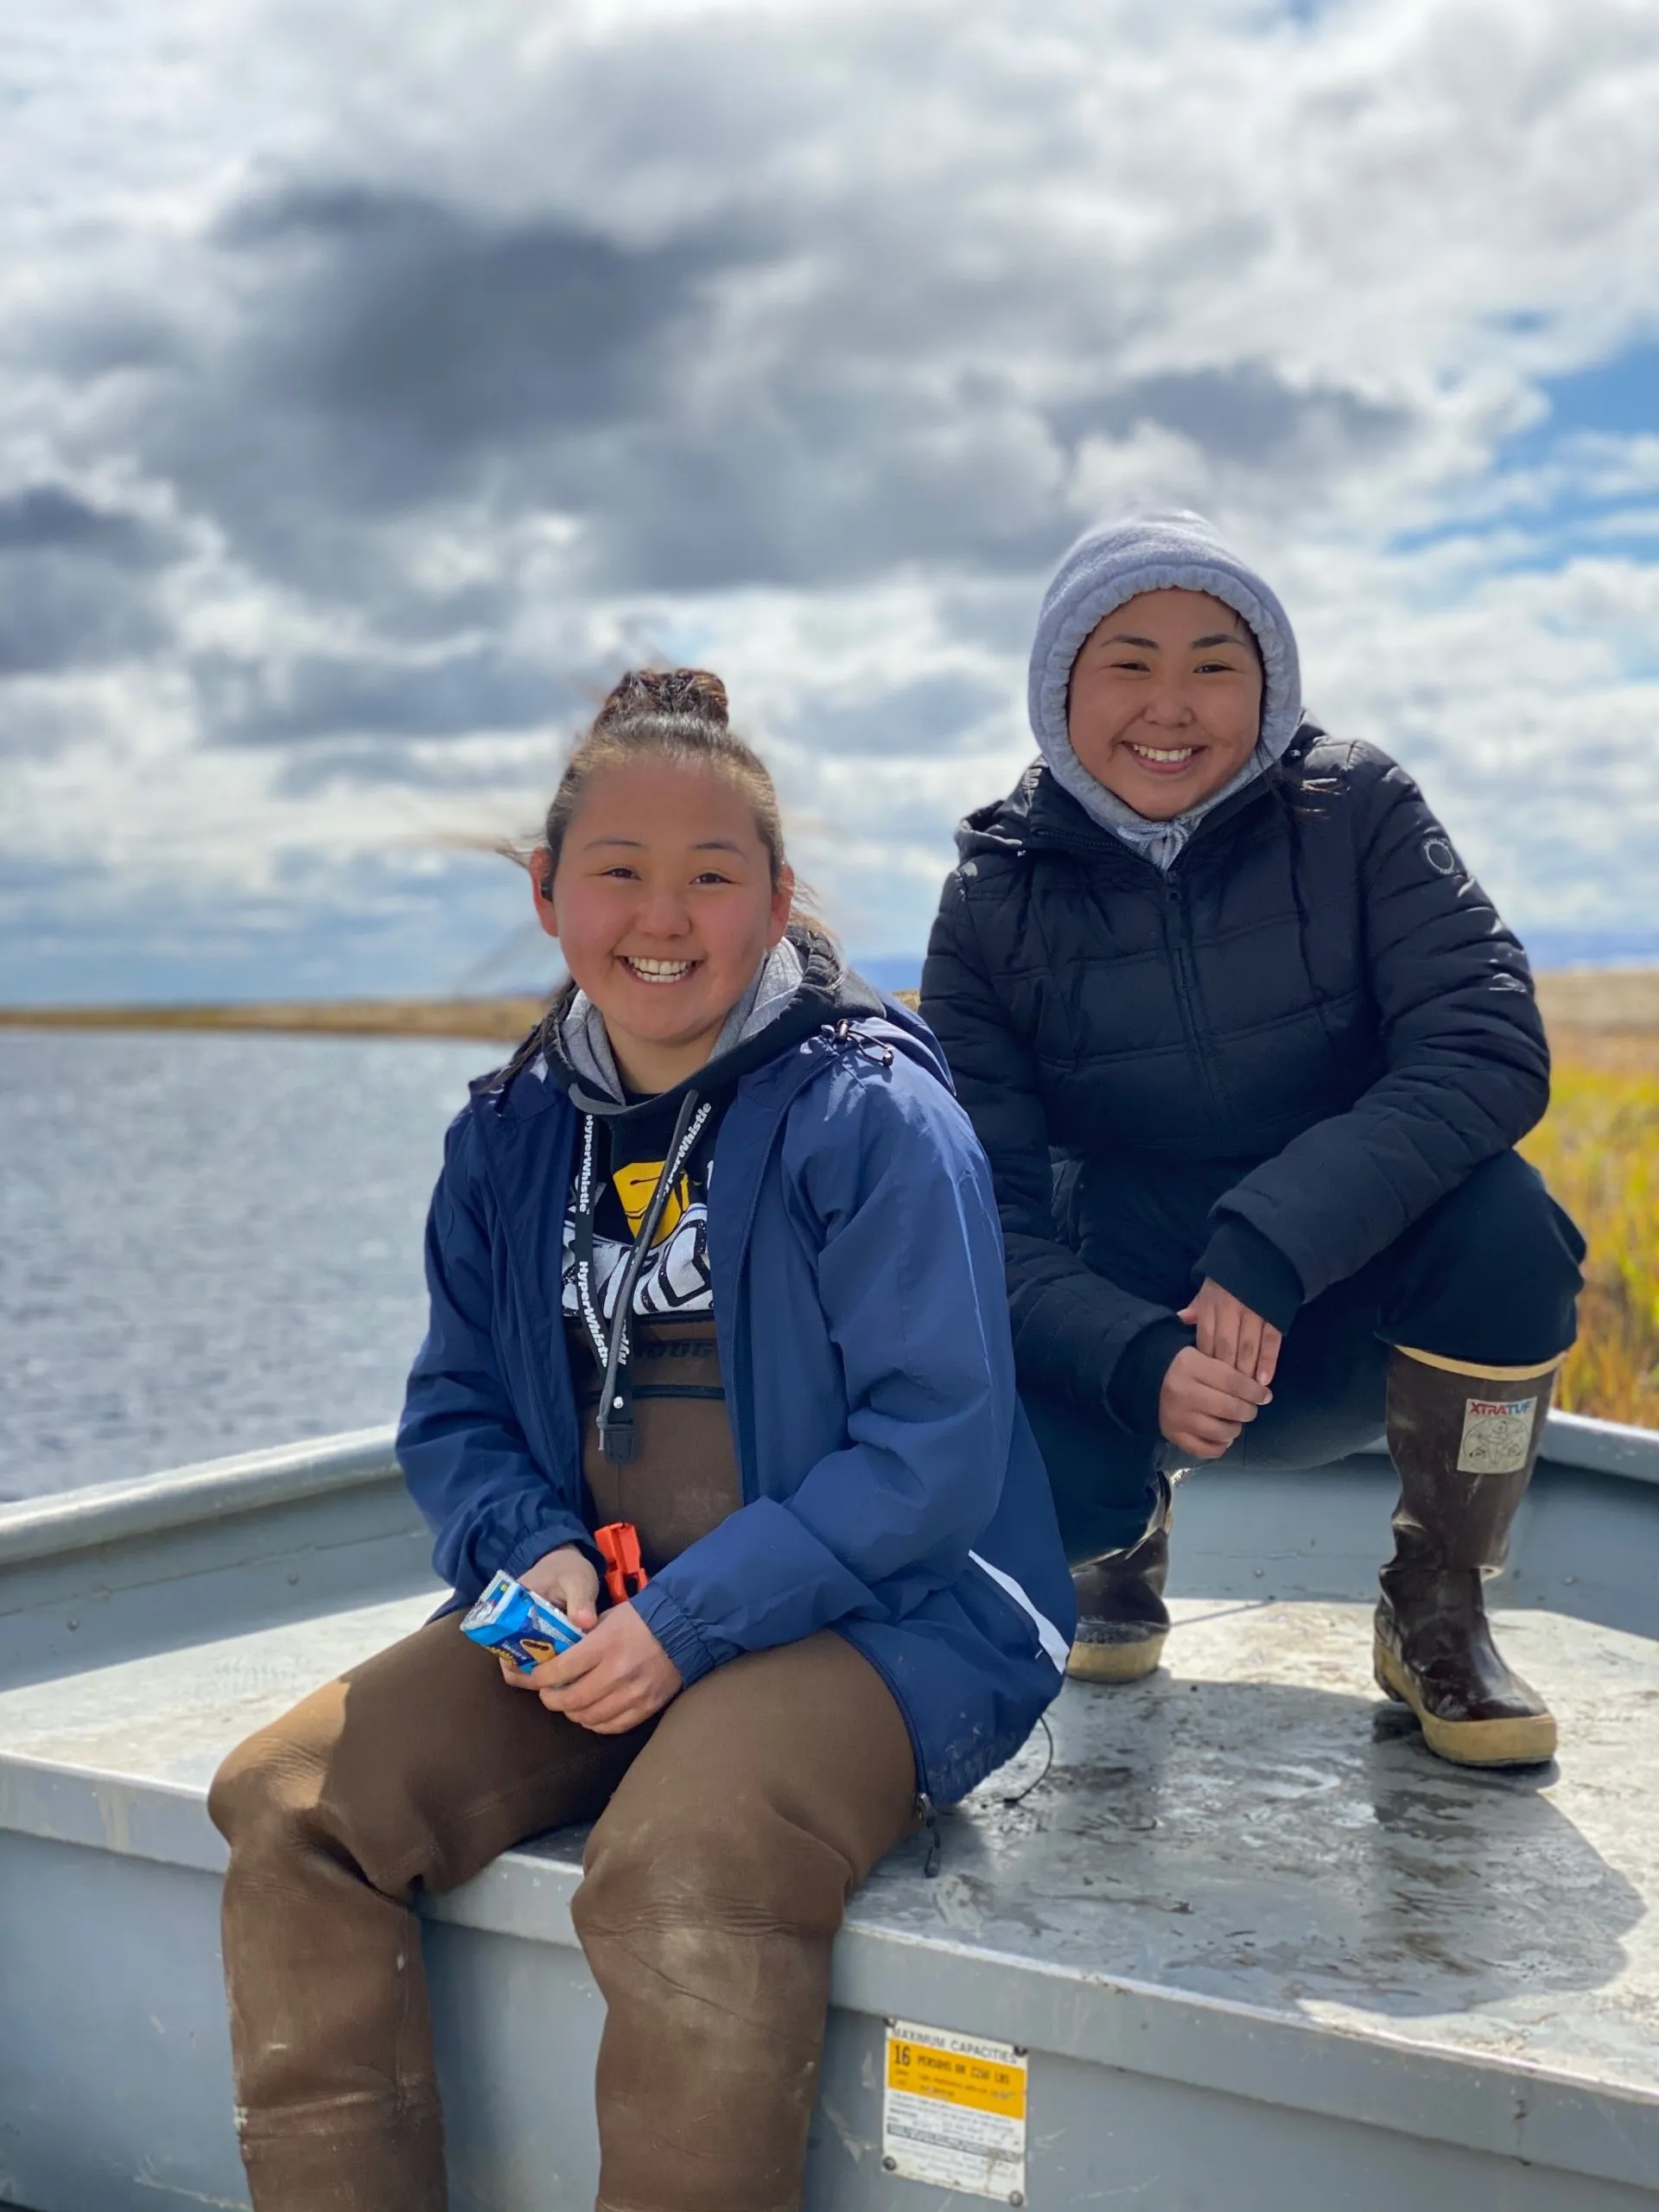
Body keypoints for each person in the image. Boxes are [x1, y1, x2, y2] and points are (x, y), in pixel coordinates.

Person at [208, 668, 1073, 2212]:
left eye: (710, 876)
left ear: (776, 900)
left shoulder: (870, 1115)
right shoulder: (509, 1132)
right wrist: (532, 1557)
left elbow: (934, 1453)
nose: (661, 914)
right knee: (291, 1807)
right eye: (617, 871)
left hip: (890, 1621)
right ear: (549, 895)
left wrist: (687, 1624)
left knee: (680, 1868)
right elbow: (458, 1412)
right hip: (606, 1617)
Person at [921, 509, 1584, 1770]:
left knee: (1512, 1228)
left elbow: (1489, 1045)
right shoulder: (993, 895)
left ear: (1269, 682)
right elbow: (977, 1217)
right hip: (1137, 1325)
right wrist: (1131, 1356)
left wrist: (1275, 1236)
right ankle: (1116, 1548)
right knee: (1020, 1428)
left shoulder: (1360, 810)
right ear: (1060, 685)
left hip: (1338, 1299)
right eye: (1129, 660)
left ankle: (1436, 1602)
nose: (1172, 705)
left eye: (1215, 662)